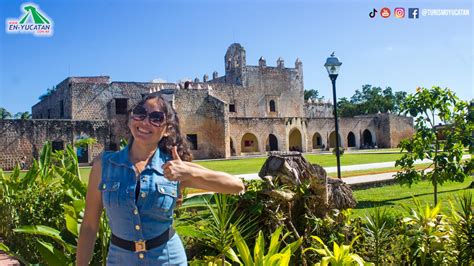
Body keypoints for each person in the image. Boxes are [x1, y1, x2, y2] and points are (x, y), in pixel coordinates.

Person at [76, 95, 245, 265]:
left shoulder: (175, 167)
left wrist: (189, 173)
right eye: (140, 113)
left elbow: (236, 186)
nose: (145, 122)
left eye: (156, 118)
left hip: (168, 260)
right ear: (130, 120)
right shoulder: (104, 165)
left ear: (167, 130)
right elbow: (90, 225)